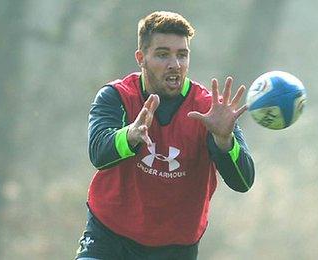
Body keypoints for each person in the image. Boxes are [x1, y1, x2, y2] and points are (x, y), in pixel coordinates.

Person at [75, 11, 255, 259]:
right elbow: (98, 152)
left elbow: (244, 182)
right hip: (110, 235)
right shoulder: (115, 96)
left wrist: (225, 142)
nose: (175, 64)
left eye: (182, 54)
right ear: (141, 58)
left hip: (175, 247)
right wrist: (131, 135)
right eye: (163, 54)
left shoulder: (210, 110)